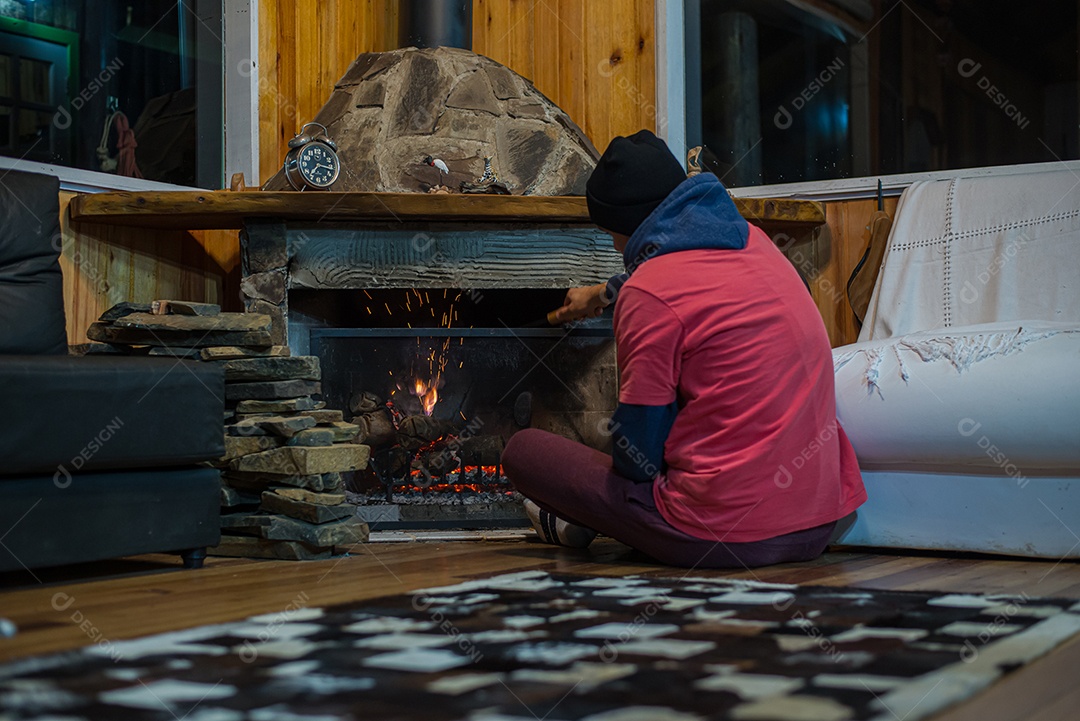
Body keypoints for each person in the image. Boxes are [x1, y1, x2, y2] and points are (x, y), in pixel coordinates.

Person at [501, 130, 866, 568]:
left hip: (725, 537)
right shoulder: (755, 242)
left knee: (525, 451)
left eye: (609, 233)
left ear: (621, 225)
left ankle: (578, 520)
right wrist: (604, 293)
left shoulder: (649, 295)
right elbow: (680, 271)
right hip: (818, 523)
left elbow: (637, 460)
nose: (615, 247)